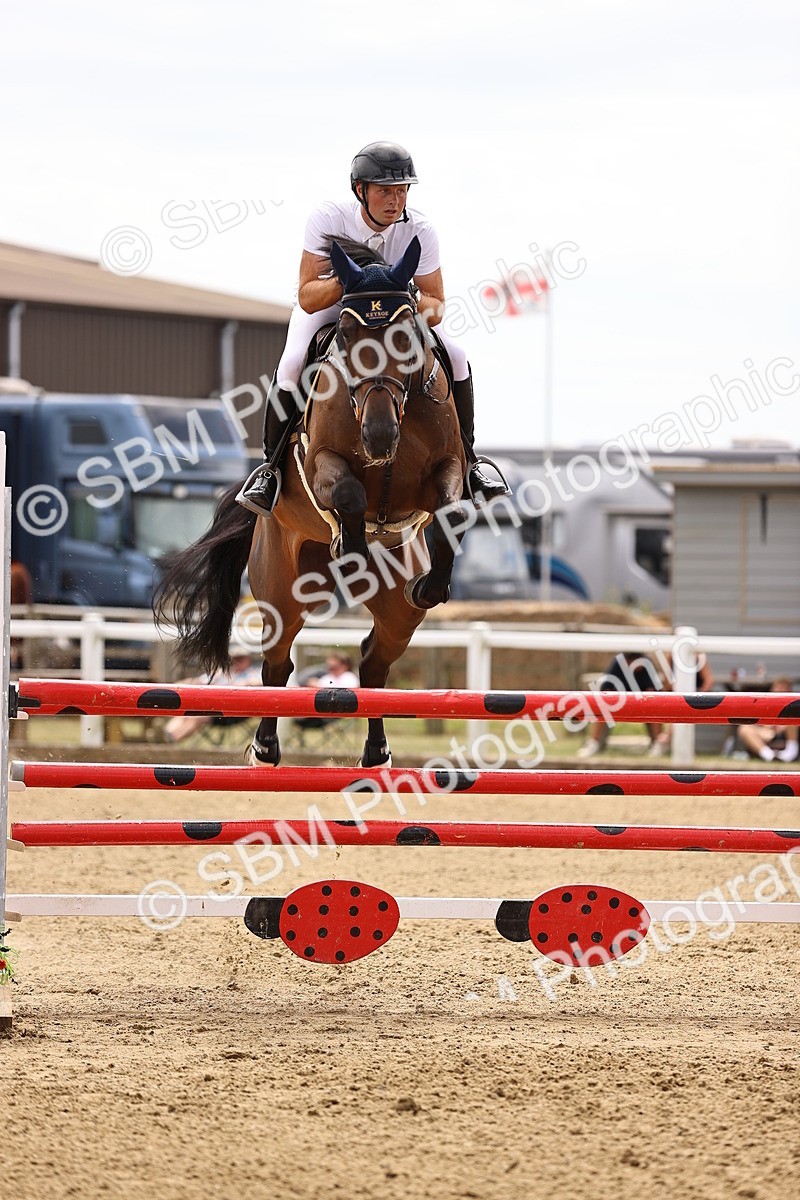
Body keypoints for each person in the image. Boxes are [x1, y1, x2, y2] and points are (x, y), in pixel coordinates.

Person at [237, 140, 507, 517]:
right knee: (293, 364)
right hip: (337, 310)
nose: (395, 201)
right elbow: (308, 295)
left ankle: (472, 462)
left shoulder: (421, 232)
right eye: (385, 191)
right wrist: (353, 284)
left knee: (457, 357)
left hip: (397, 316)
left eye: (401, 191)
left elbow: (437, 305)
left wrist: (405, 297)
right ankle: (270, 469)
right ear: (360, 190)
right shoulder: (329, 219)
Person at [163, 644, 262, 744]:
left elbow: (258, 684)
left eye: (240, 658)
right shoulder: (222, 673)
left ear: (248, 659)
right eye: (234, 659)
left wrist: (242, 684)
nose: (237, 662)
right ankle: (165, 737)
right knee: (187, 713)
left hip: (235, 711)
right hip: (212, 706)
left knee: (197, 716)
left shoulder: (254, 673)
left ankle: (170, 742)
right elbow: (201, 681)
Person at [577, 652, 663, 758]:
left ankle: (658, 744)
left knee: (654, 709)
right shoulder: (618, 663)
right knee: (602, 709)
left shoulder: (646, 664)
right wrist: (615, 701)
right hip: (618, 704)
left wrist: (641, 701)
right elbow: (606, 689)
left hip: (642, 704)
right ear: (628, 661)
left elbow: (654, 692)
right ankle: (594, 743)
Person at [735, 676, 799, 762]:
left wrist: (782, 727)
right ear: (772, 689)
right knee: (744, 729)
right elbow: (757, 721)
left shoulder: (794, 703)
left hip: (786, 735)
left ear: (789, 690)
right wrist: (767, 726)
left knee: (792, 719)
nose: (780, 690)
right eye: (778, 687)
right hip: (768, 733)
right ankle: (769, 756)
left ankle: (790, 754)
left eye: (784, 688)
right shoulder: (764, 703)